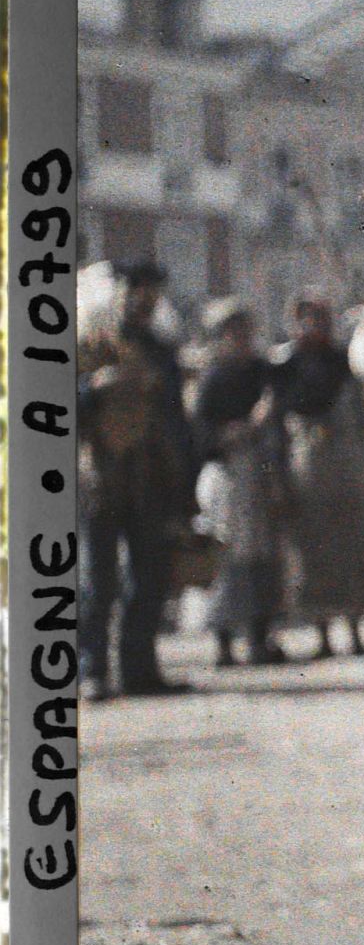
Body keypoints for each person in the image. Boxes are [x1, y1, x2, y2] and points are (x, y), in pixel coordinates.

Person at [78, 260, 197, 699]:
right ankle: (91, 672)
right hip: (100, 476)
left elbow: (177, 419)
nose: (143, 303)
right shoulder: (91, 342)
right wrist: (96, 387)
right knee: (97, 580)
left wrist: (186, 485)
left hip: (152, 476)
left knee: (149, 579)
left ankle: (140, 672)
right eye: (137, 292)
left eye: (152, 295)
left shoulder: (161, 350)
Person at [273, 294, 364, 658]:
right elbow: (276, 423)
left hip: (346, 467)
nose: (314, 326)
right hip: (307, 467)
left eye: (320, 318)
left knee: (353, 547)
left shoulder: (342, 361)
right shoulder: (285, 366)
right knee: (312, 551)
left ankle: (355, 629)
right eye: (306, 319)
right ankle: (322, 633)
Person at [193, 300, 289, 666]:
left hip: (261, 476)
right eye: (234, 333)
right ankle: (224, 642)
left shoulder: (263, 373)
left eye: (246, 332)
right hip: (228, 478)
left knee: (264, 561)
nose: (242, 340)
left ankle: (259, 639)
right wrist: (245, 427)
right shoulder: (213, 380)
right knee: (228, 559)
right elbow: (203, 436)